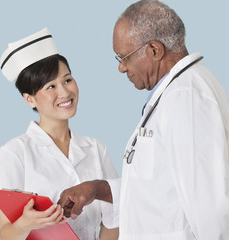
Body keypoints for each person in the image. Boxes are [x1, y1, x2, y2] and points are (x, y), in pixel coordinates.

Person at [58, 0, 229, 239]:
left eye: (124, 57)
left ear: (154, 50)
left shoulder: (186, 97)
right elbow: (158, 189)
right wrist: (98, 189)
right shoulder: (175, 93)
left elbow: (211, 209)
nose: (121, 68)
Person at [0, 28, 119, 240]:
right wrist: (25, 224)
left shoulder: (96, 149)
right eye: (51, 86)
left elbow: (114, 219)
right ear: (29, 99)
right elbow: (6, 235)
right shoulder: (15, 152)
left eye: (67, 80)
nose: (65, 92)